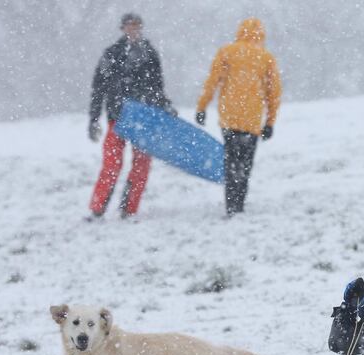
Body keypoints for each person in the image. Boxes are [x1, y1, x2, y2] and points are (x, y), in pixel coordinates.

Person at [87, 13, 177, 220]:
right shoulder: (111, 53)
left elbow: (157, 86)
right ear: (122, 28)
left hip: (144, 117)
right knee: (112, 164)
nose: (134, 29)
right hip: (117, 117)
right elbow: (98, 88)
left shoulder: (150, 54)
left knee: (142, 164)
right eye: (130, 26)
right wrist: (93, 118)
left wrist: (165, 106)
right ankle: (98, 208)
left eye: (137, 25)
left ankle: (129, 209)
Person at [195, 18, 282, 217]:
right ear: (261, 34)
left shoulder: (227, 52)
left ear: (240, 32)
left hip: (229, 117)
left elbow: (212, 81)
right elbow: (274, 93)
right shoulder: (266, 57)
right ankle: (239, 204)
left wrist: (202, 107)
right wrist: (270, 121)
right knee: (245, 163)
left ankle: (230, 204)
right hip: (252, 119)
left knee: (231, 161)